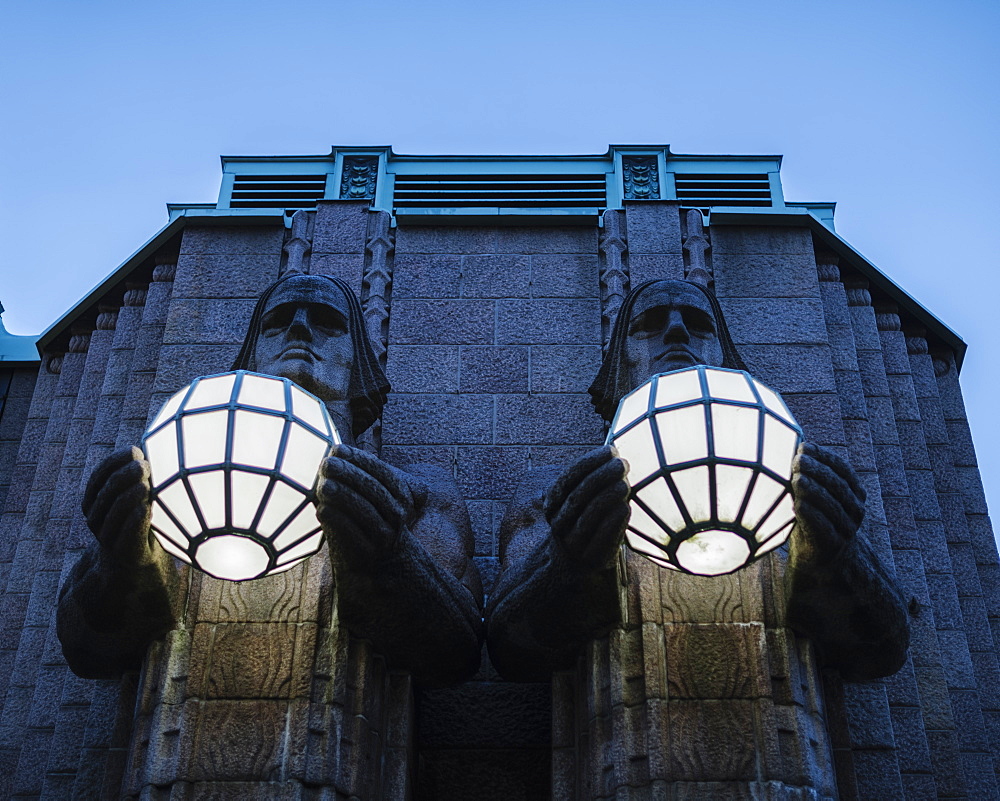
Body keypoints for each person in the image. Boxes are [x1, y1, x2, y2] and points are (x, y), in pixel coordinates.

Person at [58, 273, 483, 687]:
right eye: (277, 322)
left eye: (327, 323)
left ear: (358, 363)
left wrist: (390, 558)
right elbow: (85, 652)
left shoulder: (418, 492)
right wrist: (118, 561)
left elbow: (458, 653)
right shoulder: (178, 485)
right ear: (252, 354)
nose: (299, 328)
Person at [486, 278, 909, 682]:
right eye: (648, 326)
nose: (675, 333)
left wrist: (837, 557)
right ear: (622, 359)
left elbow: (886, 649)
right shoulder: (560, 490)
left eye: (699, 323)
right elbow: (506, 651)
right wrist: (569, 565)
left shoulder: (788, 481)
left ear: (724, 356)